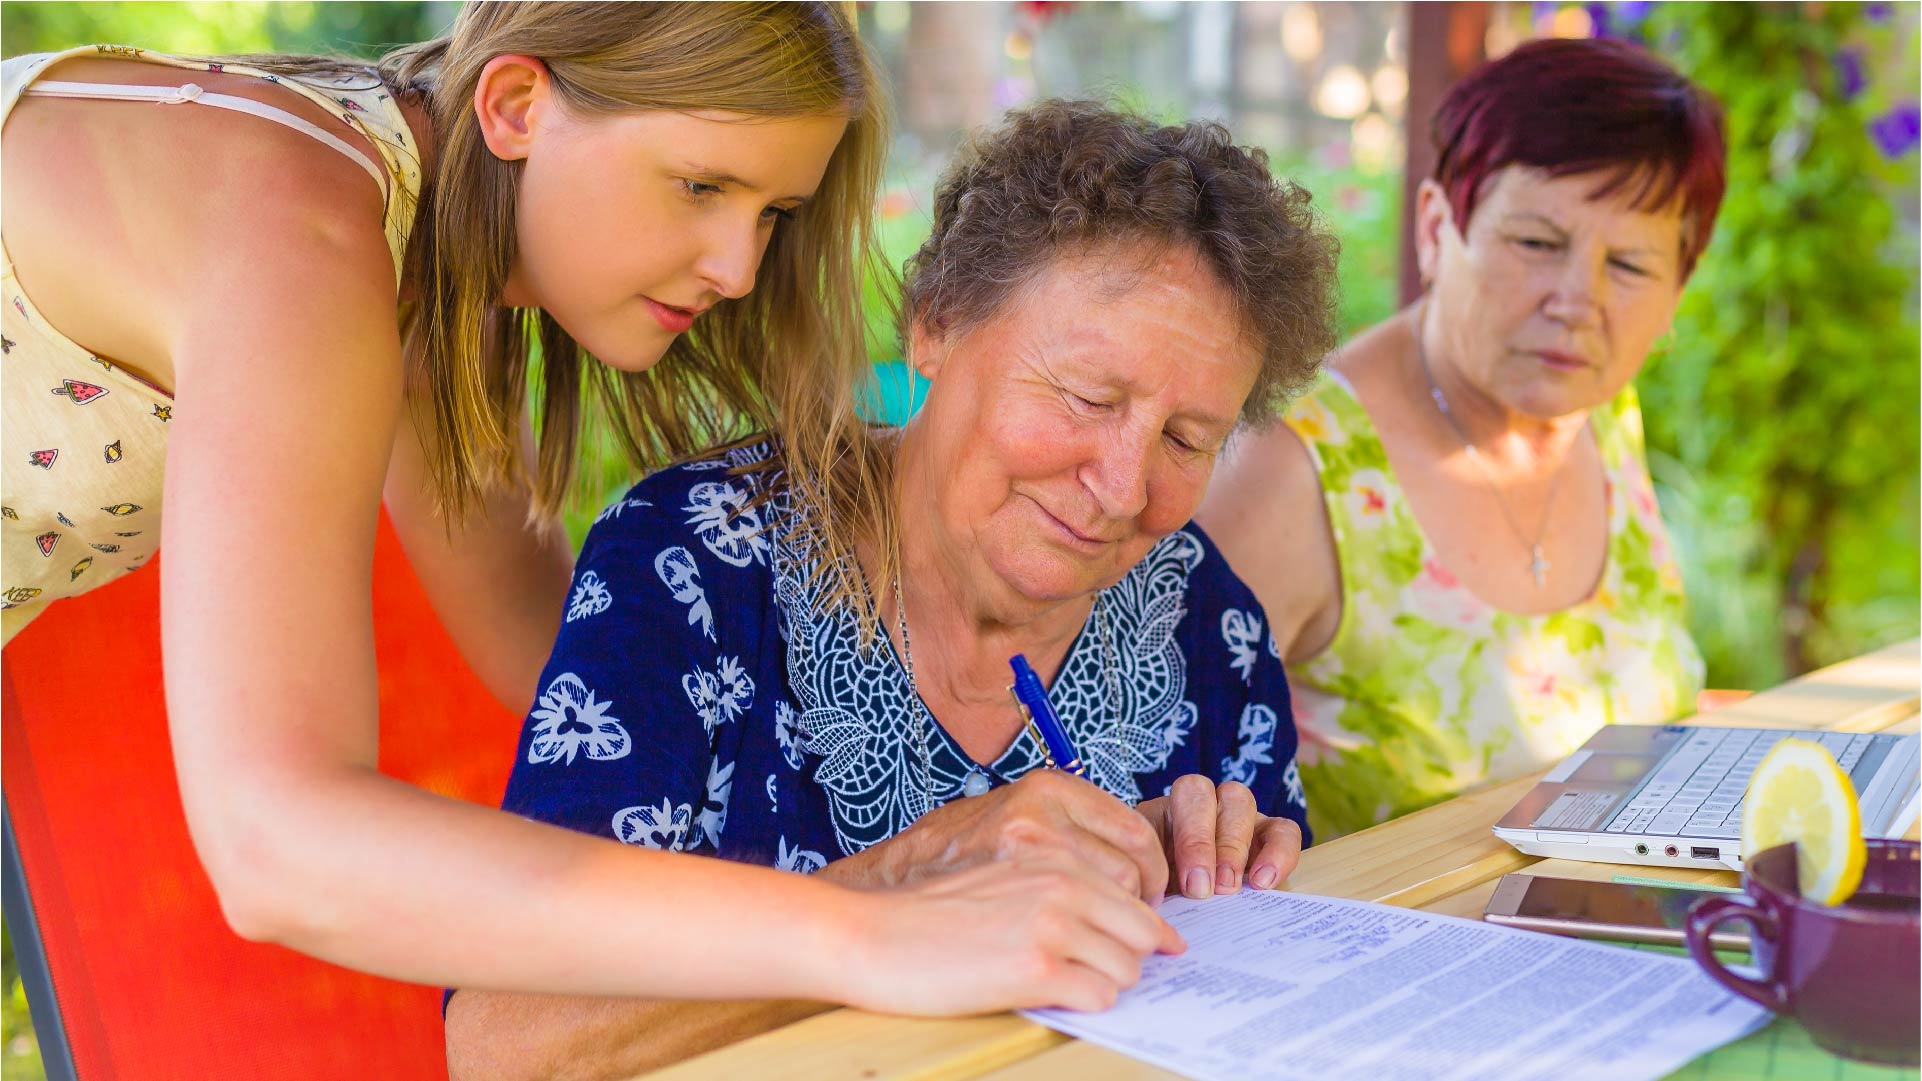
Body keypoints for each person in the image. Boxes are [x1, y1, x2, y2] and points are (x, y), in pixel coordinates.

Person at [0, 2, 1170, 1015]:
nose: (737, 269)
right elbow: (276, 846)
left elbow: (552, 659)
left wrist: (938, 821)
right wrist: (862, 935)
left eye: (770, 212)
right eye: (700, 185)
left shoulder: (412, 263)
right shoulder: (301, 234)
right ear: (515, 105)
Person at [445, 98, 1341, 1079]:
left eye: (1185, 440)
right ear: (936, 326)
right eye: (1087, 398)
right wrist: (907, 878)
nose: (1124, 487)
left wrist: (1210, 873)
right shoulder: (691, 570)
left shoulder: (1202, 623)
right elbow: (507, 1041)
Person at [1198, 37, 1723, 840]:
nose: (1577, 301)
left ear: (1677, 287)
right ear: (1438, 228)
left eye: (1630, 265)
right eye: (1537, 244)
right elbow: (1154, 781)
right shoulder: (1297, 468)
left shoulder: (1597, 409)